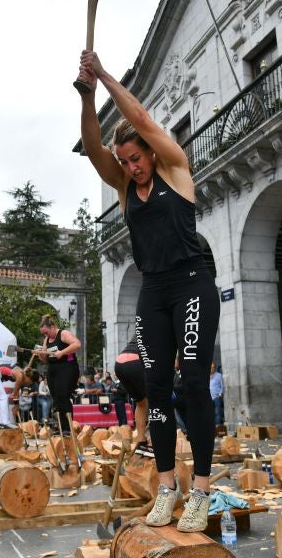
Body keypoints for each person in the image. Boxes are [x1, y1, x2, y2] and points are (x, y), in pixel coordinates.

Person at [78, 50, 221, 532]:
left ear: (152, 152)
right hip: (152, 290)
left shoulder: (175, 167)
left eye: (136, 157)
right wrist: (86, 95)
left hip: (192, 283)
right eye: (126, 161)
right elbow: (92, 144)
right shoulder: (123, 187)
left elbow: (137, 116)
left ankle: (201, 490)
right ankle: (166, 488)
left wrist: (105, 76)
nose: (131, 166)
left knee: (194, 385)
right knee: (156, 390)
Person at [35, 314, 82, 436]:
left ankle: (68, 427)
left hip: (67, 367)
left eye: (46, 332)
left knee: (63, 395)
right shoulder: (46, 339)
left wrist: (62, 352)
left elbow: (77, 344)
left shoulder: (63, 333)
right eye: (43, 334)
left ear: (52, 327)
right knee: (56, 399)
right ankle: (61, 426)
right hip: (53, 369)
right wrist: (40, 354)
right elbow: (45, 359)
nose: (45, 336)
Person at [113, 337, 152, 456]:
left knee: (141, 402)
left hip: (120, 362)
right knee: (156, 400)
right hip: (136, 361)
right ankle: (155, 442)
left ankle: (141, 441)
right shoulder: (163, 324)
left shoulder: (143, 324)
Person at [209, 362, 224, 427]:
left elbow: (222, 386)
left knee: (218, 412)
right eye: (210, 368)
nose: (211, 369)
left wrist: (220, 394)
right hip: (209, 397)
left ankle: (218, 427)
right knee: (211, 413)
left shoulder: (219, 375)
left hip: (217, 397)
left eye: (213, 367)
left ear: (215, 368)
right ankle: (212, 427)